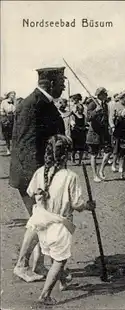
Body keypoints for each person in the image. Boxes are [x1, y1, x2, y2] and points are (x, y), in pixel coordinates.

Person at [23, 134, 96, 305]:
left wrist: (42, 196)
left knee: (51, 253)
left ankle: (64, 281)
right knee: (59, 259)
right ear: (67, 155)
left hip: (41, 221)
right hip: (60, 224)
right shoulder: (70, 176)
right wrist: (88, 206)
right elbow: (77, 205)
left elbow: (30, 192)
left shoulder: (40, 172)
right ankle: (44, 295)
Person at [10, 67, 66, 282]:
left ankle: (38, 266)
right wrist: (40, 180)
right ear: (50, 83)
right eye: (61, 83)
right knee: (40, 219)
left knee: (43, 220)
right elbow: (26, 145)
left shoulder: (43, 103)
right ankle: (22, 265)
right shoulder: (32, 104)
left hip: (40, 173)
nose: (63, 86)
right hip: (31, 175)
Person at [86, 87, 112, 182]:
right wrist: (96, 111)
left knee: (108, 150)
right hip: (94, 133)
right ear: (100, 95)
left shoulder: (105, 104)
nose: (107, 95)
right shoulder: (92, 104)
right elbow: (88, 118)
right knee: (94, 154)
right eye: (105, 94)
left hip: (104, 132)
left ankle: (101, 170)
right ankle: (94, 175)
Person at [108, 91, 125, 172]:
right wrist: (113, 127)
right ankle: (114, 164)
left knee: (123, 149)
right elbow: (111, 118)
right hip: (117, 128)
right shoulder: (115, 105)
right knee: (116, 149)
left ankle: (121, 166)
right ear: (121, 98)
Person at [0, 91, 16, 155]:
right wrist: (6, 114)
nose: (13, 96)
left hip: (14, 119)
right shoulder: (4, 102)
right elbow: (1, 111)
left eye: (14, 95)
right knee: (7, 135)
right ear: (9, 95)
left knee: (14, 135)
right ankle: (8, 150)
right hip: (6, 119)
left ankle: (14, 150)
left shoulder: (15, 102)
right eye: (12, 95)